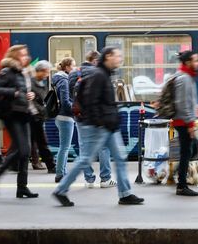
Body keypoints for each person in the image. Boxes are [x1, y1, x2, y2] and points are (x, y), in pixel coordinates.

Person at [52, 47, 144, 206]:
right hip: (100, 126)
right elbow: (91, 102)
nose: (120, 59)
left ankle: (125, 193)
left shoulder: (104, 74)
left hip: (108, 126)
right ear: (108, 57)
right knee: (85, 160)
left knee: (120, 159)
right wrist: (100, 123)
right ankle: (61, 190)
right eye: (117, 56)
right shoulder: (99, 75)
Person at [0, 45, 38, 198]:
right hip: (12, 114)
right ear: (14, 56)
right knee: (22, 150)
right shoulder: (7, 71)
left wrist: (30, 95)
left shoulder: (24, 72)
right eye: (22, 54)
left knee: (25, 152)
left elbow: (25, 90)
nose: (25, 56)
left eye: (26, 54)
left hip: (24, 112)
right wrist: (14, 93)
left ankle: (22, 187)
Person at [69, 50, 116, 189]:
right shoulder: (98, 73)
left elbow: (71, 97)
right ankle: (105, 179)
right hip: (97, 116)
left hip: (80, 117)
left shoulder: (73, 73)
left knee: (84, 147)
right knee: (104, 147)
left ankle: (89, 180)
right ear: (96, 61)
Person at [171, 50, 198, 197]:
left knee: (191, 149)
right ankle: (181, 185)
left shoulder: (186, 76)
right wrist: (190, 124)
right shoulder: (184, 78)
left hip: (183, 120)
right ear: (188, 62)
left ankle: (178, 174)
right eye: (196, 60)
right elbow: (182, 104)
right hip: (183, 121)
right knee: (187, 151)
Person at [52, 57, 77, 183]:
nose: (75, 68)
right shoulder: (64, 81)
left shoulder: (60, 79)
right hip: (65, 117)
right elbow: (65, 101)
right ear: (67, 67)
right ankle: (59, 174)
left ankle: (62, 171)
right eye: (73, 65)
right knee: (64, 147)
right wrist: (75, 110)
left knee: (64, 146)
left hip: (62, 117)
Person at [29, 61, 56, 173]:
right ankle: (51, 166)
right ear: (39, 71)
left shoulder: (41, 84)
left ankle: (14, 164)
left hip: (38, 116)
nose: (47, 74)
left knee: (32, 141)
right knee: (41, 142)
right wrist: (40, 110)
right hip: (34, 116)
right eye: (46, 72)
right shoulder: (31, 83)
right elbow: (32, 101)